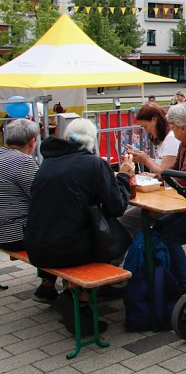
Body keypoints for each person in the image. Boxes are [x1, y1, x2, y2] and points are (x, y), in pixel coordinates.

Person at [25, 118, 133, 335]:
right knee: (119, 233)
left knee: (75, 227)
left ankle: (64, 292)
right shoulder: (94, 164)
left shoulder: (49, 161)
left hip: (37, 246)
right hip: (67, 250)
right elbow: (117, 206)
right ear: (93, 140)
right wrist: (123, 176)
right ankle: (80, 303)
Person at [0, 119, 58, 303]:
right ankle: (50, 287)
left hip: (4, 230)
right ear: (33, 141)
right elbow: (42, 197)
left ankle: (47, 286)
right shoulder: (23, 162)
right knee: (64, 230)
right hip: (13, 234)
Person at [127, 104, 180, 176]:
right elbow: (162, 164)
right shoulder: (164, 139)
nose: (146, 131)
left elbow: (166, 174)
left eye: (146, 126)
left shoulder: (171, 138)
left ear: (154, 120)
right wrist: (141, 156)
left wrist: (146, 160)